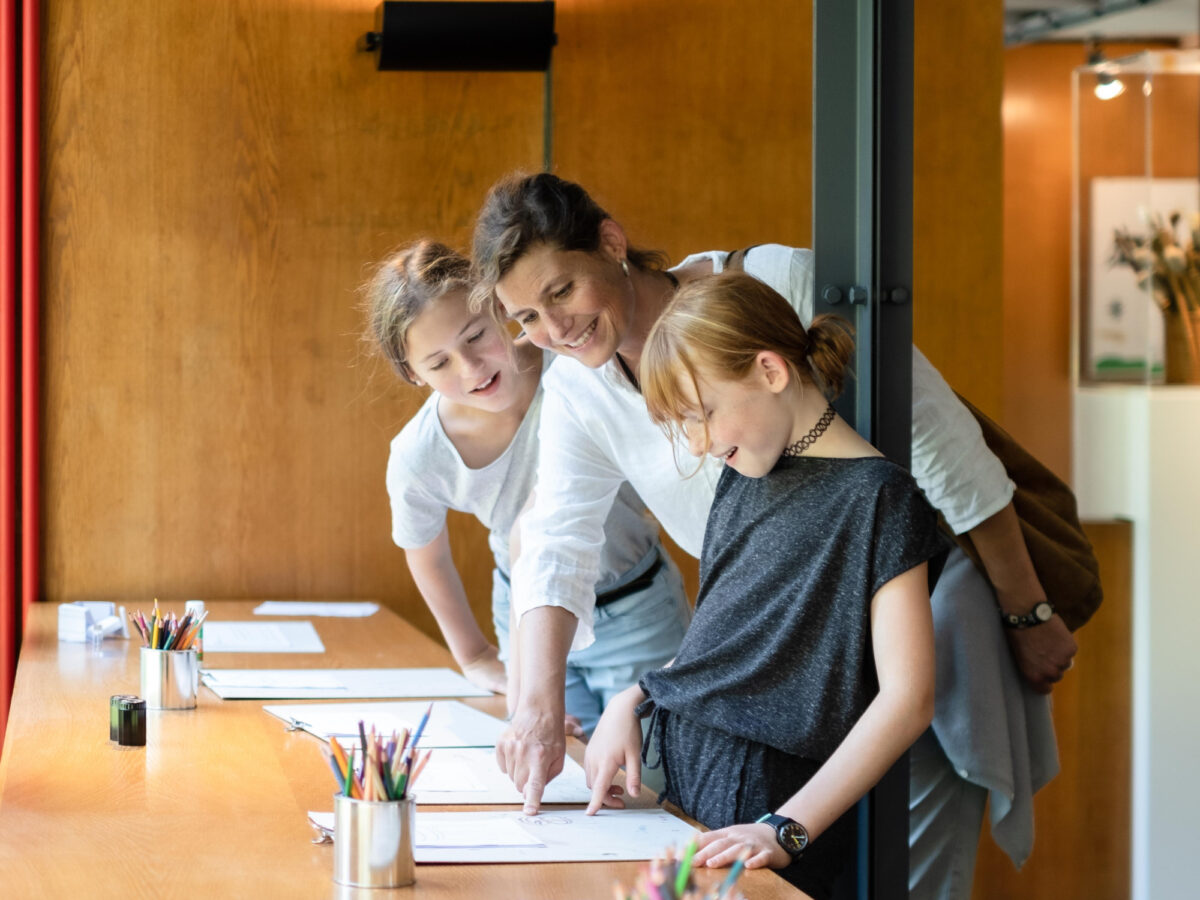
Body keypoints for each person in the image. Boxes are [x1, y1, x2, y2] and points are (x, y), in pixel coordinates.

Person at [471, 173, 1071, 898]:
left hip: (887, 649)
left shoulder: (789, 306)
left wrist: (1026, 607)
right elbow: (563, 545)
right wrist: (593, 701)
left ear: (610, 243)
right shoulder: (697, 452)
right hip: (759, 738)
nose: (554, 328)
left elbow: (945, 450)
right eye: (526, 318)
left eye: (562, 291)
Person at [584, 272, 942, 899]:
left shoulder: (880, 499)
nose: (698, 444)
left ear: (771, 371)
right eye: (683, 424)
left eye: (703, 415)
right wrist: (632, 698)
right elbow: (727, 643)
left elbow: (908, 698)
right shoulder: (746, 474)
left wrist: (786, 828)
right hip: (693, 789)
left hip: (771, 811)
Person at [362, 240, 691, 736]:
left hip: (635, 604)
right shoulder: (419, 453)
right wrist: (475, 655)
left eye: (475, 336)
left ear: (500, 308)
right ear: (413, 373)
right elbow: (426, 555)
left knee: (652, 763)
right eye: (439, 363)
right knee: (558, 763)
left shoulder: (577, 366)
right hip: (524, 617)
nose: (471, 368)